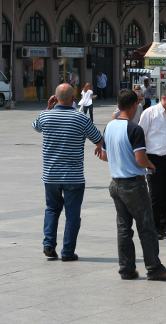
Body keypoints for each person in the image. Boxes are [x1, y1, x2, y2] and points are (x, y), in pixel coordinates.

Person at [99, 89, 166, 281]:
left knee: (123, 228)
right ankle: (154, 268)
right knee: (147, 227)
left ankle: (126, 269)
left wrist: (119, 159)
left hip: (115, 183)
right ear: (134, 105)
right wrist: (151, 165)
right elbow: (140, 158)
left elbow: (103, 155)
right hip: (133, 184)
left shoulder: (109, 126)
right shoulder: (134, 129)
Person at [32, 83, 103, 261]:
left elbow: (36, 126)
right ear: (74, 99)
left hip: (51, 175)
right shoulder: (81, 119)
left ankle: (48, 245)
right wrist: (99, 146)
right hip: (74, 176)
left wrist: (48, 108)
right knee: (72, 215)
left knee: (51, 209)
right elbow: (97, 138)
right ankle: (67, 252)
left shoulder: (45, 117)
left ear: (55, 98)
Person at [139, 86, 166, 239]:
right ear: (163, 98)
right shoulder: (149, 113)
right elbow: (141, 136)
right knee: (155, 196)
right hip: (154, 158)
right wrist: (143, 160)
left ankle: (164, 227)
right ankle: (154, 228)